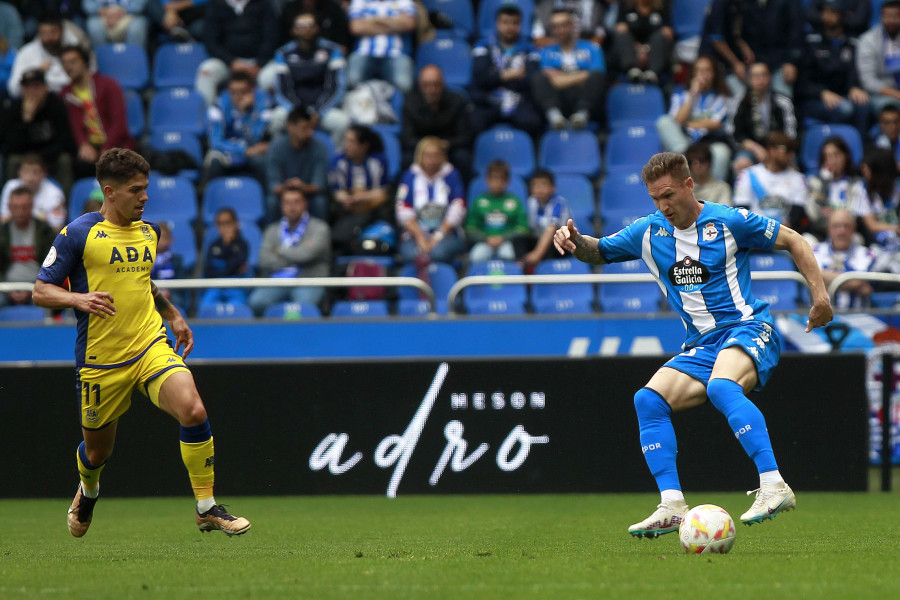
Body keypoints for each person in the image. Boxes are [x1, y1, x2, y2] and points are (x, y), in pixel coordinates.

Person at [552, 151, 833, 537]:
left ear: (689, 185)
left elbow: (795, 241)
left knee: (722, 386)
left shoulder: (729, 221)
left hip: (748, 328)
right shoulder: (648, 232)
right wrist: (573, 240)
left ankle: (774, 484)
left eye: (668, 195)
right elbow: (597, 252)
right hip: (702, 345)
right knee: (648, 400)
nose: (663, 206)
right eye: (655, 198)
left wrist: (820, 297)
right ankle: (672, 504)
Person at [32, 148, 251, 537]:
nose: (145, 197)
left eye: (146, 188)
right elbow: (40, 291)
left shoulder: (149, 233)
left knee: (194, 409)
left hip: (150, 345)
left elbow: (142, 284)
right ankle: (89, 490)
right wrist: (78, 299)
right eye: (136, 190)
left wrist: (172, 314)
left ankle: (206, 507)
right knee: (98, 453)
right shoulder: (77, 234)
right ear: (110, 192)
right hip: (101, 360)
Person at [248, 184, 331, 316]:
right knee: (257, 302)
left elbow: (306, 255)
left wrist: (280, 251)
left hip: (308, 281)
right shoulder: (272, 230)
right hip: (278, 281)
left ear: (305, 204)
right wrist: (297, 257)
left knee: (303, 307)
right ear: (281, 205)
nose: (291, 207)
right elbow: (264, 260)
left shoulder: (320, 228)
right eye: (287, 202)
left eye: (296, 202)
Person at [273, 10, 349, 147]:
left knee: (342, 122)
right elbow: (281, 89)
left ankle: (336, 163)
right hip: (294, 109)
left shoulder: (333, 50)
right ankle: (282, 155)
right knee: (276, 118)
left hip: (323, 109)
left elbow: (338, 87)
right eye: (301, 25)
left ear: (317, 28)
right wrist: (297, 113)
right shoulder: (283, 53)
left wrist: (319, 111)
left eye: (310, 25)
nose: (306, 29)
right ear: (293, 30)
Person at [796, 1, 870, 136]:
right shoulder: (811, 42)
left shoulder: (852, 43)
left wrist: (854, 87)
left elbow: (854, 71)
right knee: (844, 109)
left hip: (842, 95)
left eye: (833, 12)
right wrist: (821, 92)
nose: (827, 16)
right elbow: (802, 83)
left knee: (862, 104)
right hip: (815, 99)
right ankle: (835, 145)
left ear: (843, 16)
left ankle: (860, 147)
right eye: (825, 12)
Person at [60, 44, 136, 174]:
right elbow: (73, 126)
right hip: (89, 148)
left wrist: (108, 147)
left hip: (115, 144)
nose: (68, 67)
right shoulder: (66, 93)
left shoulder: (108, 85)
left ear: (84, 62)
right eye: (64, 63)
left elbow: (119, 123)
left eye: (72, 62)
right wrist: (83, 144)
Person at [469, 3, 543, 139]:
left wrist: (495, 75)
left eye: (515, 23)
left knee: (534, 122)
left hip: (519, 101)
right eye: (505, 22)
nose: (510, 27)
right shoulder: (483, 46)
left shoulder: (530, 48)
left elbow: (531, 79)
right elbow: (481, 77)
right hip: (488, 101)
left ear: (520, 25)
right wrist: (514, 74)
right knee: (472, 123)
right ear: (497, 23)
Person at [656, 55, 732, 181]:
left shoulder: (723, 97)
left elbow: (716, 123)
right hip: (684, 144)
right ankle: (686, 161)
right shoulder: (681, 94)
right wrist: (693, 94)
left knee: (722, 151)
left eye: (707, 71)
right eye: (699, 71)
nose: (703, 75)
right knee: (663, 122)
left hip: (708, 144)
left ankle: (713, 189)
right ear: (693, 74)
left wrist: (688, 123)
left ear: (714, 74)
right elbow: (677, 121)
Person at [0, 68, 77, 192]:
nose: (32, 92)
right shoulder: (14, 108)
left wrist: (40, 159)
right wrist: (26, 119)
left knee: (65, 160)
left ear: (45, 88)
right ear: (22, 90)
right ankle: (13, 201)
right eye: (27, 87)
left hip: (50, 157)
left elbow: (65, 140)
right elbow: (9, 147)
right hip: (25, 158)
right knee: (12, 161)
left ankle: (65, 205)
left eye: (37, 87)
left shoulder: (56, 104)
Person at [395, 136, 466, 264]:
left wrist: (436, 238)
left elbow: (458, 209)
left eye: (435, 155)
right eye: (427, 155)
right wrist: (421, 238)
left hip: (447, 235)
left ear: (442, 156)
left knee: (438, 253)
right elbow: (402, 210)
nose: (432, 160)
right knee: (412, 255)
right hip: (415, 235)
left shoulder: (452, 175)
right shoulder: (409, 176)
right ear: (420, 156)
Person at [532, 8, 606, 130]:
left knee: (598, 77)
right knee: (538, 78)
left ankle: (581, 116)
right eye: (555, 27)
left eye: (564, 25)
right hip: (558, 100)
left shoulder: (593, 48)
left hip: (585, 99)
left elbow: (597, 75)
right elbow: (547, 80)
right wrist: (582, 75)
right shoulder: (546, 52)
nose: (560, 30)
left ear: (573, 25)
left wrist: (561, 79)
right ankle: (555, 116)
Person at [195, 0, 279, 106]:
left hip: (260, 63)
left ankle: (265, 114)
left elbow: (272, 37)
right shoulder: (216, 6)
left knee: (271, 78)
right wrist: (231, 62)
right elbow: (210, 41)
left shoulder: (263, 4)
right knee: (206, 71)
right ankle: (210, 116)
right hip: (228, 63)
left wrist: (259, 64)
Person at [328, 124, 391, 257]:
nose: (346, 145)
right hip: (348, 207)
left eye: (351, 141)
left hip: (372, 205)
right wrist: (346, 198)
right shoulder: (339, 161)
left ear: (364, 146)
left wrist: (362, 197)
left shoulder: (377, 161)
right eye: (345, 140)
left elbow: (382, 192)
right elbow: (337, 192)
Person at [400, 64, 472, 180]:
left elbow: (465, 136)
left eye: (436, 85)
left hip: (449, 148)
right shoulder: (410, 103)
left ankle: (461, 194)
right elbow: (407, 138)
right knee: (406, 158)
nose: (431, 90)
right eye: (426, 86)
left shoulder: (457, 101)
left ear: (443, 84)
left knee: (463, 157)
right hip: (420, 148)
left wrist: (445, 144)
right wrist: (427, 147)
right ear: (420, 86)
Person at [205, 70, 273, 187]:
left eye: (243, 92)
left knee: (261, 163)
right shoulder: (219, 105)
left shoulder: (263, 103)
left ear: (252, 90)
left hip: (254, 150)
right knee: (214, 161)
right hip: (228, 150)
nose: (238, 96)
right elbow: (215, 142)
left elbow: (256, 137)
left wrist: (245, 113)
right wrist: (243, 150)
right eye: (234, 92)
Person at [733, 132, 811, 233]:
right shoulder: (748, 175)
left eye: (793, 150)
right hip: (752, 233)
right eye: (787, 150)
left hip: (784, 235)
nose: (792, 154)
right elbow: (740, 211)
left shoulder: (799, 179)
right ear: (771, 150)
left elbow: (796, 216)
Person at [729, 62, 797, 177]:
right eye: (755, 76)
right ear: (749, 80)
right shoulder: (740, 102)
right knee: (742, 163)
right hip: (750, 148)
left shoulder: (783, 101)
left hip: (779, 148)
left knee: (791, 165)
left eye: (763, 75)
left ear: (769, 77)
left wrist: (776, 150)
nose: (759, 79)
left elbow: (790, 133)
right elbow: (733, 132)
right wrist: (754, 147)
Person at [265, 105, 330, 222]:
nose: (309, 133)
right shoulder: (276, 148)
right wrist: (287, 186)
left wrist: (301, 186)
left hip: (308, 193)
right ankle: (272, 237)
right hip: (284, 193)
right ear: (290, 126)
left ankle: (321, 237)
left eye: (311, 128)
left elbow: (319, 186)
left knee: (320, 201)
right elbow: (273, 185)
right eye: (304, 128)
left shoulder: (319, 148)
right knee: (272, 201)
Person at [0, 185, 55, 307]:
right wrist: (7, 288)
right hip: (4, 286)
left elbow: (53, 266)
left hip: (38, 286)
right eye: (16, 207)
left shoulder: (45, 231)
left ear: (31, 206)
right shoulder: (2, 232)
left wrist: (36, 286)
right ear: (9, 207)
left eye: (24, 207)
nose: (20, 212)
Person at [345, 0, 417, 93]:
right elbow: (356, 27)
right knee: (352, 80)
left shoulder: (402, 1)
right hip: (364, 52)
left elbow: (409, 23)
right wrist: (394, 22)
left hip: (396, 54)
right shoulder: (360, 1)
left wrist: (374, 20)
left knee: (404, 84)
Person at [465, 160, 529, 263]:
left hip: (506, 242)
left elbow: (523, 229)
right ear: (487, 180)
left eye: (501, 179)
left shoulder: (514, 201)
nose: (497, 183)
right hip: (484, 242)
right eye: (494, 179)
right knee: (476, 257)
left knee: (508, 255)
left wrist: (503, 238)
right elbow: (470, 229)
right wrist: (486, 239)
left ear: (507, 181)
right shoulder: (479, 201)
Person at [806, 135, 866, 240]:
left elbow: (855, 216)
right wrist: (824, 185)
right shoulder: (815, 182)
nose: (832, 160)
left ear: (845, 156)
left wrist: (834, 215)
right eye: (827, 156)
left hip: (846, 233)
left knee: (858, 239)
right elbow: (813, 215)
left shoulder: (856, 183)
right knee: (807, 240)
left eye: (836, 155)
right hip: (821, 233)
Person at [6, 13, 81, 98]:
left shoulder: (75, 51)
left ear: (62, 31)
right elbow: (13, 89)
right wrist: (36, 74)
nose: (49, 38)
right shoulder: (27, 53)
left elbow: (87, 81)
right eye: (44, 33)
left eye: (53, 32)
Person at [813, 208, 876, 309]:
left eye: (847, 226)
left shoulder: (866, 254)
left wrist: (823, 279)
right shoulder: (815, 251)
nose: (841, 231)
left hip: (857, 317)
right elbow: (813, 277)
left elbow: (856, 282)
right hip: (821, 320)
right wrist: (855, 285)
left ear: (854, 229)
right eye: (836, 226)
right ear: (828, 228)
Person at [608, 0, 674, 85]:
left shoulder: (662, 5)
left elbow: (668, 32)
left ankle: (652, 73)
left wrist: (646, 49)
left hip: (653, 50)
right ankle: (632, 70)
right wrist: (638, 49)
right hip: (632, 49)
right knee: (622, 35)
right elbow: (620, 27)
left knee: (660, 36)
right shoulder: (626, 4)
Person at [200, 206, 250, 309]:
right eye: (221, 224)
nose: (225, 227)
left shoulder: (242, 245)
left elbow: (234, 265)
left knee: (239, 308)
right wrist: (229, 267)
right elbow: (208, 270)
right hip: (215, 286)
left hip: (235, 285)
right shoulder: (213, 245)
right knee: (205, 306)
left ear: (236, 223)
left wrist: (227, 246)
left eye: (228, 223)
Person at [0, 153, 66, 230]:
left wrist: (19, 215)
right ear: (20, 172)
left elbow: (56, 228)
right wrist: (39, 217)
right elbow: (3, 220)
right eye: (26, 171)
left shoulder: (55, 193)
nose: (30, 177)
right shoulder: (10, 187)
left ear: (43, 174)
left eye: (35, 172)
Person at [521, 168, 571, 268]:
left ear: (553, 188)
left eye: (543, 184)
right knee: (519, 239)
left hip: (560, 243)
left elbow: (551, 229)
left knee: (550, 245)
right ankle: (519, 267)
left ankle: (544, 271)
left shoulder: (558, 204)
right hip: (539, 238)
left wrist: (537, 254)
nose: (539, 189)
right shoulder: (531, 202)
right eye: (535, 185)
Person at [857, 1, 900, 115]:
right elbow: (868, 81)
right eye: (887, 16)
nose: (891, 20)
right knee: (891, 106)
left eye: (895, 16)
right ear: (881, 17)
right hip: (879, 94)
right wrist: (896, 95)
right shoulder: (868, 40)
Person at [82, 0, 149, 49]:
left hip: (128, 14)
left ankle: (134, 60)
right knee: (93, 26)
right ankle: (101, 62)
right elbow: (88, 6)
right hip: (102, 14)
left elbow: (140, 5)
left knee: (138, 26)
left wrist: (120, 12)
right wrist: (105, 12)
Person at [684, 142, 732, 206]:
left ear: (709, 163)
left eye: (701, 160)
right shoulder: (682, 188)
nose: (696, 165)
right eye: (691, 162)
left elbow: (724, 213)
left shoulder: (722, 188)